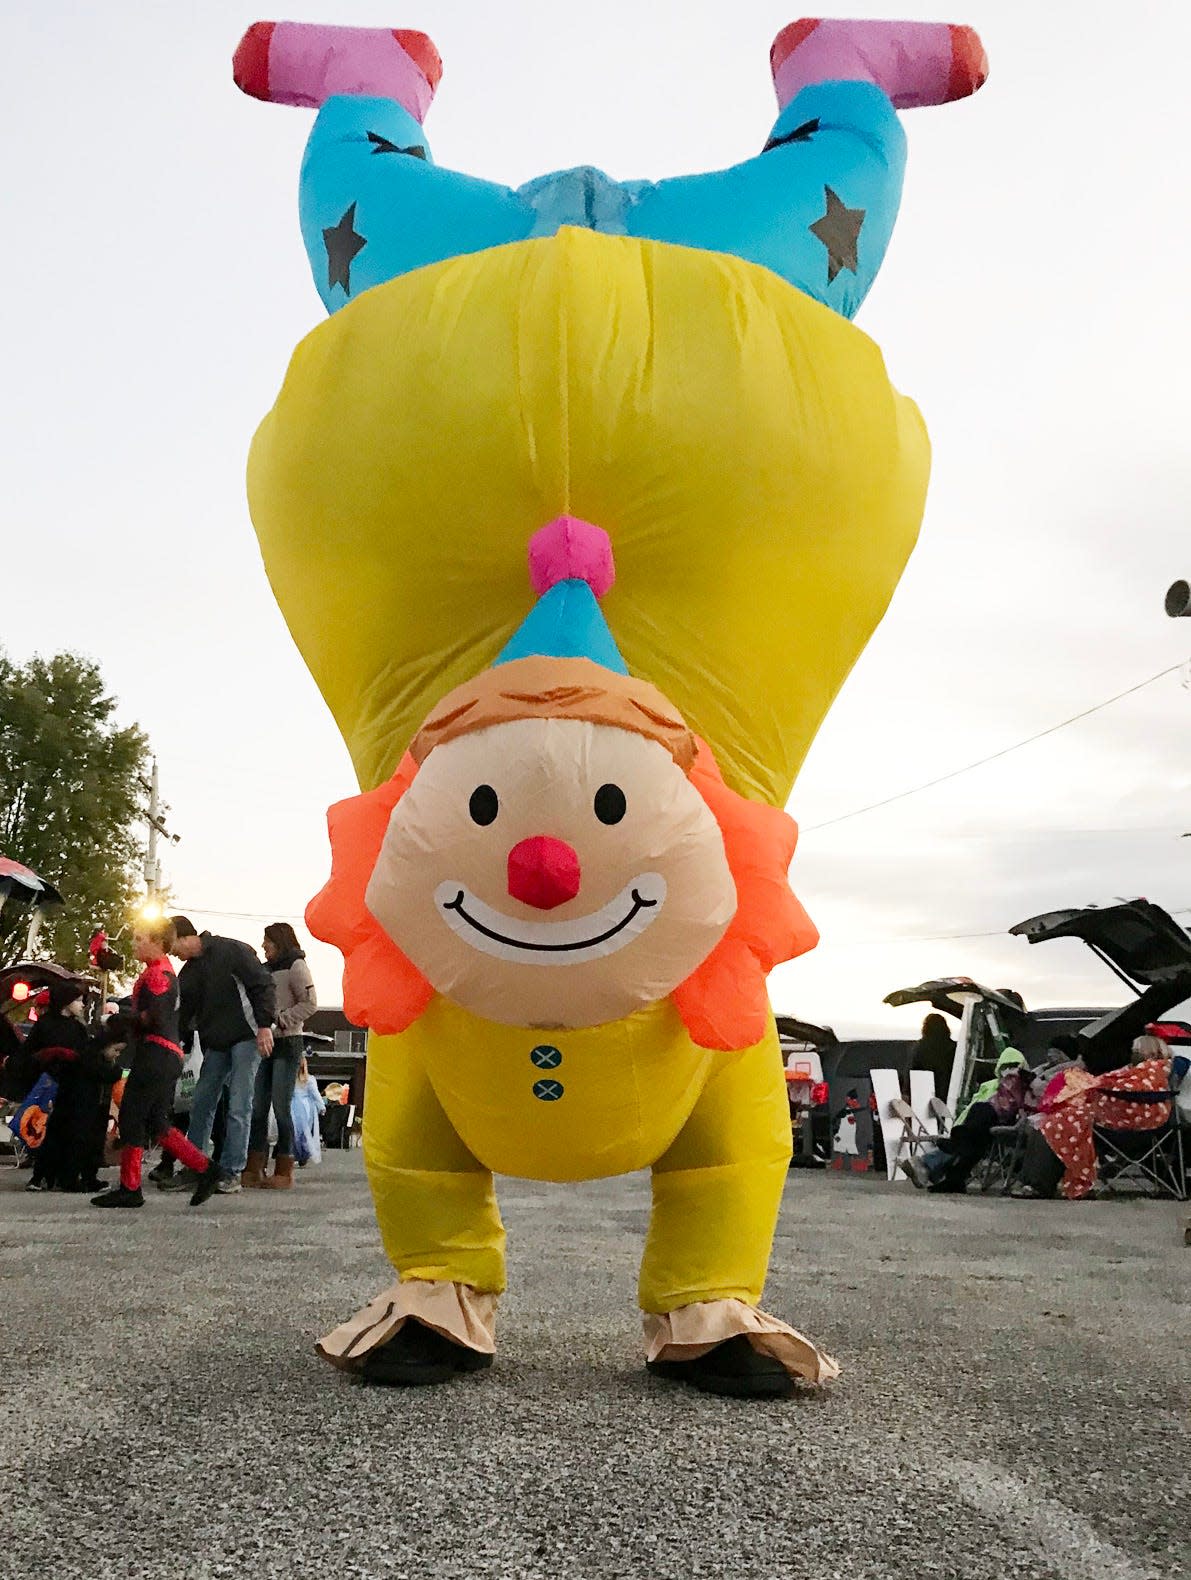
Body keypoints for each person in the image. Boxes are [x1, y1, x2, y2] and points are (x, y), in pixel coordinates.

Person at [91, 919, 230, 1209]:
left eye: (140, 938)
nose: (134, 943)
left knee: (132, 1117)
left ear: (158, 942)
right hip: (165, 1054)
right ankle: (207, 1169)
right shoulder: (161, 972)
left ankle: (131, 1188)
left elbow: (151, 1019)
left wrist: (114, 1020)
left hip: (156, 1054)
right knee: (157, 1123)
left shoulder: (157, 975)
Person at [162, 916, 276, 1194]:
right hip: (217, 1042)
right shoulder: (188, 974)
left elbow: (263, 985)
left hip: (247, 1036)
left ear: (184, 935)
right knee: (202, 1101)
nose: (172, 953)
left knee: (239, 1103)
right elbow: (183, 1015)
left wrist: (264, 1025)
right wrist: (176, 1044)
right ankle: (196, 1165)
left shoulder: (231, 951)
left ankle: (231, 1171)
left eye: (171, 945)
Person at [1025, 1033, 1189, 1201]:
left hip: (1133, 1125)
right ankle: (1040, 1182)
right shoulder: (1150, 1070)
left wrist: (1095, 1083)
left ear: (1150, 1051)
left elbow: (1126, 1086)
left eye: (1136, 1050)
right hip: (1138, 1124)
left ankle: (1041, 1183)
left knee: (1059, 1123)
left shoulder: (1154, 1070)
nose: (1133, 1053)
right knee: (1059, 1122)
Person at [21, 978, 119, 1192]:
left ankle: (48, 1176)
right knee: (69, 1133)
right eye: (78, 1000)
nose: (82, 1004)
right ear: (66, 1002)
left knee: (61, 1132)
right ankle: (64, 1176)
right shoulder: (61, 1027)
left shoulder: (71, 1026)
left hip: (68, 1087)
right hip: (66, 1088)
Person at [243, 922, 318, 1189]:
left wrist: (284, 1019)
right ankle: (255, 1165)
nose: (264, 946)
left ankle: (284, 1168)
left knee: (281, 1105)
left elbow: (310, 1003)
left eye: (268, 941)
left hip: (288, 1042)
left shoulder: (297, 966)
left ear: (280, 941)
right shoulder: (265, 969)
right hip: (266, 1041)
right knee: (258, 1106)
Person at [903, 1047, 1034, 1193]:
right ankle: (953, 1176)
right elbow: (973, 1106)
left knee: (976, 1133)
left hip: (999, 1119)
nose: (1009, 1070)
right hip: (981, 1119)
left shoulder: (1025, 1083)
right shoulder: (990, 1085)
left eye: (1014, 1065)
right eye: (1005, 1066)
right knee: (977, 1133)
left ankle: (934, 1163)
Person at [910, 1012, 956, 1094]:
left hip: (925, 1090)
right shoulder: (953, 1047)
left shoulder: (920, 1048)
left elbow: (912, 1072)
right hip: (949, 1091)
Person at [291, 1055, 326, 1165]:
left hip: (293, 1106)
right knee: (303, 1132)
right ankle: (302, 1154)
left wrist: (321, 1106)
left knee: (295, 1132)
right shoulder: (309, 1079)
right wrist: (321, 1107)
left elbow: (315, 1094)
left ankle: (298, 1154)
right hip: (305, 1107)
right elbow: (315, 1094)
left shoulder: (291, 1079)